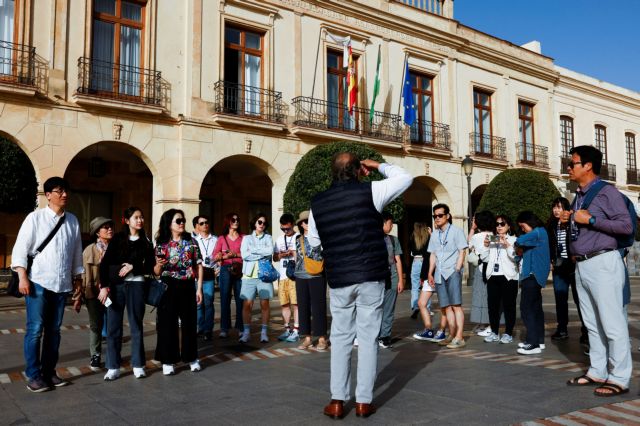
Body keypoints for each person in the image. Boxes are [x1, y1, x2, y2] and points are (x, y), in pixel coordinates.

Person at [309, 153, 412, 419]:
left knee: (341, 337)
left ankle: (336, 401)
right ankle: (364, 402)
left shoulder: (317, 203)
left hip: (340, 277)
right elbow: (405, 178)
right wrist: (378, 166)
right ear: (358, 171)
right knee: (367, 339)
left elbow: (313, 244)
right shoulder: (372, 191)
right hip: (370, 275)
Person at [563, 145, 632, 397]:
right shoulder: (579, 195)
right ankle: (597, 370)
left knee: (612, 323)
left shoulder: (607, 192)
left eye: (573, 163)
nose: (569, 168)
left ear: (588, 166)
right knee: (591, 324)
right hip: (583, 264)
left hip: (604, 262)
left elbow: (625, 226)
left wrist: (590, 220)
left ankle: (620, 377)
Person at [11, 176, 84, 392]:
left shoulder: (72, 220)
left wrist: (78, 278)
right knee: (35, 330)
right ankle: (33, 376)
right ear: (48, 195)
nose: (64, 194)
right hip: (38, 281)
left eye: (66, 190)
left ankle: (49, 373)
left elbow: (76, 253)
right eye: (59, 191)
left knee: (54, 331)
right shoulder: (35, 218)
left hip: (61, 284)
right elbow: (20, 248)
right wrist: (23, 276)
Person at [99, 207, 156, 380]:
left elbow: (151, 266)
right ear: (127, 220)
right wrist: (104, 286)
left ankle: (138, 364)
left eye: (141, 217)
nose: (140, 220)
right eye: (136, 217)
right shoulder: (117, 239)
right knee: (113, 327)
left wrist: (133, 267)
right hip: (117, 287)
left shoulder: (146, 241)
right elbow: (105, 264)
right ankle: (113, 366)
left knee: (136, 325)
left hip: (137, 285)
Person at [154, 209, 204, 375]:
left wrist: (199, 289)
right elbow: (156, 272)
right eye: (178, 221)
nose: (182, 223)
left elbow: (199, 265)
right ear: (169, 224)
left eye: (183, 220)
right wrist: (159, 265)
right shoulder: (161, 243)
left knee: (190, 323)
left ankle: (191, 357)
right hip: (168, 285)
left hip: (188, 284)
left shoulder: (191, 241)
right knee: (168, 324)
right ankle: (168, 360)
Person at [546, 198, 588, 344]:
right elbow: (549, 245)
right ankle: (562, 329)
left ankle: (586, 331)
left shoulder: (573, 223)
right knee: (560, 299)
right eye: (554, 207)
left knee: (580, 299)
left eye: (559, 207)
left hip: (574, 266)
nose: (556, 210)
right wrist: (551, 260)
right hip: (559, 266)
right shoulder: (550, 225)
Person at [427, 204, 468, 349]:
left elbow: (462, 251)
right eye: (435, 216)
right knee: (446, 307)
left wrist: (457, 269)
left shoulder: (457, 231)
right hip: (439, 273)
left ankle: (459, 337)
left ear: (447, 216)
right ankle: (451, 334)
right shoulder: (434, 235)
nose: (437, 218)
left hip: (452, 271)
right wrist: (430, 272)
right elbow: (433, 254)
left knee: (456, 305)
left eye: (440, 215)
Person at [478, 214, 518, 344]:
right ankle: (494, 332)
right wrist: (485, 245)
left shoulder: (514, 240)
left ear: (508, 226)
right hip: (493, 276)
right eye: (497, 224)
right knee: (492, 306)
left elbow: (515, 257)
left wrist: (506, 245)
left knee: (509, 306)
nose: (499, 226)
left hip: (509, 277)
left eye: (502, 224)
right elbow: (484, 258)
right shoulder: (492, 239)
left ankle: (508, 333)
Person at [514, 211, 550, 355]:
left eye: (523, 226)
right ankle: (538, 341)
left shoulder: (538, 232)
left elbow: (520, 240)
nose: (522, 230)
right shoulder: (539, 234)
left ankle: (533, 343)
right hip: (533, 275)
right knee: (535, 309)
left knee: (526, 308)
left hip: (533, 275)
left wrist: (517, 242)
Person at [81, 216, 114, 371]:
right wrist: (79, 296)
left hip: (114, 292)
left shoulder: (117, 248)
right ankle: (95, 354)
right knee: (96, 324)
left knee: (114, 323)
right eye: (105, 227)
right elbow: (84, 275)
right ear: (97, 232)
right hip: (94, 293)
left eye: (110, 226)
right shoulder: (90, 250)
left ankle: (114, 354)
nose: (109, 229)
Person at [294, 210, 328, 351]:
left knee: (319, 307)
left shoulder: (321, 237)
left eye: (310, 221)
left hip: (317, 275)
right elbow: (297, 257)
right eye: (305, 221)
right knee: (303, 307)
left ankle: (322, 339)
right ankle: (307, 338)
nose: (307, 224)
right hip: (300, 276)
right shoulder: (298, 239)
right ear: (301, 224)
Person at [239, 213, 275, 343]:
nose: (262, 225)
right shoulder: (246, 238)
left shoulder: (268, 237)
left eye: (264, 223)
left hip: (264, 275)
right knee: (247, 304)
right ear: (254, 223)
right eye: (260, 222)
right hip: (248, 275)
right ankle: (246, 332)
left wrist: (253, 251)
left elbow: (269, 252)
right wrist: (260, 252)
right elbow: (244, 255)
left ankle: (264, 332)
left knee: (264, 304)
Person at [213, 213, 244, 338]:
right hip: (225, 269)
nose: (236, 221)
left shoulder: (244, 237)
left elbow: (248, 253)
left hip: (240, 269)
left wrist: (235, 255)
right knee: (225, 298)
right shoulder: (221, 238)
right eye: (233, 220)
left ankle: (241, 327)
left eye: (237, 219)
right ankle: (224, 328)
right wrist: (220, 256)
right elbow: (215, 255)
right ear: (228, 222)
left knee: (240, 299)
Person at [378, 212, 404, 349]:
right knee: (375, 308)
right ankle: (373, 335)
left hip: (392, 277)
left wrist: (400, 280)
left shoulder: (393, 240)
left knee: (388, 309)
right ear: (383, 223)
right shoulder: (373, 238)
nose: (392, 225)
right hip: (376, 279)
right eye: (390, 223)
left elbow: (398, 260)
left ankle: (385, 336)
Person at [273, 213, 300, 342]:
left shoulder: (298, 237)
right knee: (284, 304)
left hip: (294, 276)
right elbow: (274, 257)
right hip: (283, 276)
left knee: (296, 304)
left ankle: (296, 329)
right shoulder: (279, 239)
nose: (285, 231)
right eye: (283, 229)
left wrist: (292, 253)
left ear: (293, 225)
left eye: (287, 229)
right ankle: (287, 329)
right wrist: (281, 255)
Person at [467, 211, 494, 337]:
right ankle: (486, 324)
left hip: (481, 270)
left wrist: (472, 229)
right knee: (489, 296)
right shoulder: (493, 235)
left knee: (481, 296)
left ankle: (487, 324)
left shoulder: (477, 236)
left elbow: (468, 243)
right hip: (492, 270)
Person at [192, 215, 218, 341]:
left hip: (210, 273)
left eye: (206, 222)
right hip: (197, 274)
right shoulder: (194, 240)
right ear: (197, 226)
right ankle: (200, 327)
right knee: (198, 303)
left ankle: (208, 330)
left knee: (208, 302)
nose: (205, 225)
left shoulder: (215, 239)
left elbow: (220, 255)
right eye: (201, 223)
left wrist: (218, 268)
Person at [409, 222, 430, 319]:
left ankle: (415, 306)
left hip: (416, 261)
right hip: (425, 261)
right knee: (426, 285)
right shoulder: (427, 236)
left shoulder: (413, 236)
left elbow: (411, 250)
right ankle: (427, 307)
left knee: (415, 286)